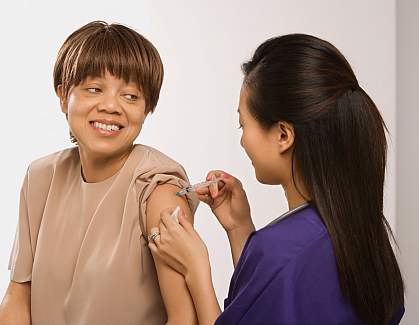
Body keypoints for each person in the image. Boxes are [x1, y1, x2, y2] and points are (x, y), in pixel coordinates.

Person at [149, 34, 405, 324]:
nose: (243, 141)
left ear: (283, 135)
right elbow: (271, 302)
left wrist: (196, 270)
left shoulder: (280, 251)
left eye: (243, 124)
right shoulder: (363, 236)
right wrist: (239, 227)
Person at [0, 21, 199, 325]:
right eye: (94, 89)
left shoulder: (158, 190)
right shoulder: (40, 178)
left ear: (147, 109)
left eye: (131, 96)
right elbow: (18, 296)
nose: (111, 106)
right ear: (63, 95)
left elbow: (185, 319)